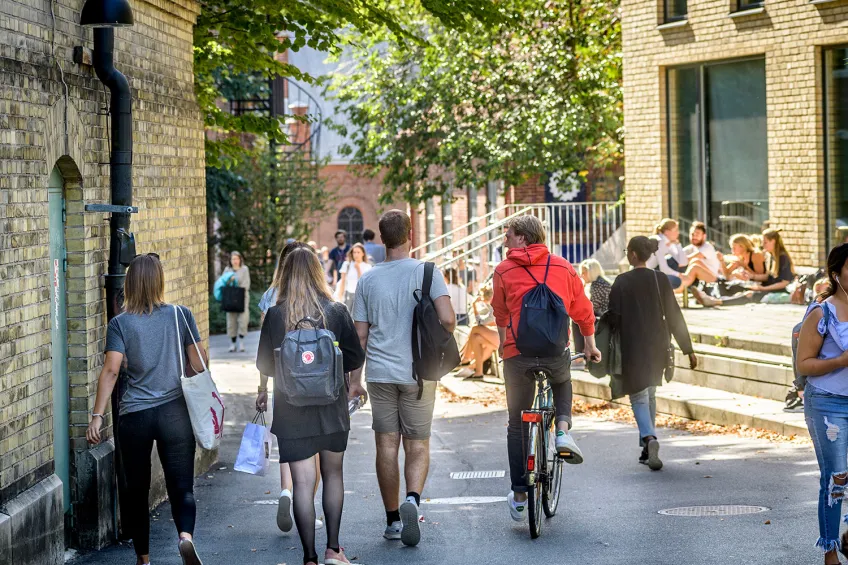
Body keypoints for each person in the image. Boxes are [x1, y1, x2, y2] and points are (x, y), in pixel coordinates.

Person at [86, 254, 207, 565]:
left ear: (129, 284)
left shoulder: (120, 323)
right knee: (181, 486)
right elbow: (198, 363)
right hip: (174, 412)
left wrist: (97, 416)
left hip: (135, 416)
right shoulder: (180, 315)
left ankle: (144, 559)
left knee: (136, 490)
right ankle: (185, 537)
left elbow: (111, 371)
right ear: (159, 281)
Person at [350, 210, 455, 547]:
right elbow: (448, 319)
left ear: (381, 239)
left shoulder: (367, 280)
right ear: (410, 234)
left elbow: (360, 336)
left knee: (386, 445)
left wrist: (354, 381)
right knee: (418, 443)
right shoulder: (428, 272)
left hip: (380, 374)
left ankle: (393, 519)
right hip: (418, 373)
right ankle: (413, 499)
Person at [255, 248, 365, 565]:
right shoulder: (336, 311)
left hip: (291, 412)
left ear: (285, 275)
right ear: (318, 273)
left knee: (302, 484)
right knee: (333, 476)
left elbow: (265, 364)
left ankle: (309, 557)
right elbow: (355, 357)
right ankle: (333, 550)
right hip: (331, 409)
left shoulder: (276, 315)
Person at [491, 215, 601, 522]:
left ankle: (519, 495)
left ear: (523, 238)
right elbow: (582, 310)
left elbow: (500, 313)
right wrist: (590, 345)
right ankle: (562, 432)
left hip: (518, 355)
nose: (504, 240)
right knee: (562, 381)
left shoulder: (503, 270)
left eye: (509, 235)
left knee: (517, 424)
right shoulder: (563, 267)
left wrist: (503, 343)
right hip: (554, 352)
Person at [608, 236, 698, 470]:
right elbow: (674, 314)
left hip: (632, 346)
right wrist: (688, 349)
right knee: (650, 393)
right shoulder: (660, 280)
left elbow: (613, 318)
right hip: (659, 345)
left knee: (638, 396)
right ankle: (647, 449)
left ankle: (649, 438)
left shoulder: (622, 281)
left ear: (633, 254)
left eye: (627, 252)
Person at [256, 241, 325, 533]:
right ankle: (307, 507)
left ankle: (286, 491)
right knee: (315, 446)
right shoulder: (319, 297)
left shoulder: (271, 297)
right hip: (316, 381)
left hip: (283, 383)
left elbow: (265, 345)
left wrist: (262, 388)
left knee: (288, 441)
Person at [796, 244, 848, 564]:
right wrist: (840, 361)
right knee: (836, 479)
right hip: (828, 404)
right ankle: (830, 552)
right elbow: (804, 363)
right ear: (836, 273)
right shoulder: (821, 313)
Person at [691, 229, 795, 307]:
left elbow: (784, 283)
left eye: (765, 242)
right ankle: (712, 298)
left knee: (749, 295)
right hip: (766, 287)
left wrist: (762, 288)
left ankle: (716, 302)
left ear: (774, 241)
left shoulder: (782, 257)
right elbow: (766, 277)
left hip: (777, 290)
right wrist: (751, 277)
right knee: (736, 287)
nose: (763, 245)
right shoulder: (771, 256)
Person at [458, 285, 499, 380]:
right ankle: (478, 373)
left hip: (505, 338)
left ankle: (465, 358)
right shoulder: (493, 306)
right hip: (498, 337)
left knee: (475, 329)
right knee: (476, 337)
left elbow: (480, 323)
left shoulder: (495, 305)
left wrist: (474, 306)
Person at [572, 258, 611, 354]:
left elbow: (594, 307)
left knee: (577, 320)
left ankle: (580, 353)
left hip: (602, 318)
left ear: (591, 272)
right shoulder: (603, 282)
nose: (581, 275)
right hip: (605, 316)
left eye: (584, 273)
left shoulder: (597, 284)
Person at [646, 218, 688, 289]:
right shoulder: (660, 241)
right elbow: (663, 269)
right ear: (667, 232)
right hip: (644, 274)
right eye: (676, 230)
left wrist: (678, 245)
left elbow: (683, 263)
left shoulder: (668, 242)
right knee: (677, 281)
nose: (678, 233)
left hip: (652, 271)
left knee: (674, 262)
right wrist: (679, 275)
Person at [680, 222, 722, 286]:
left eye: (697, 234)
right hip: (701, 280)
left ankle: (677, 288)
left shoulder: (707, 247)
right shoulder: (691, 248)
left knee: (695, 264)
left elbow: (687, 259)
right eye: (692, 234)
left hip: (714, 280)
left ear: (704, 236)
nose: (694, 237)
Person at [224, 251, 250, 352]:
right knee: (231, 321)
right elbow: (224, 282)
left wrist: (235, 284)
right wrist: (230, 280)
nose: (235, 261)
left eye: (236, 259)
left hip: (242, 298)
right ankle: (233, 344)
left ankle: (241, 343)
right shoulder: (227, 270)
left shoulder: (244, 269)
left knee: (243, 320)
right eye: (233, 259)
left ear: (240, 259)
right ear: (230, 260)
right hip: (230, 298)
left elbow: (246, 284)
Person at [336, 243, 372, 311]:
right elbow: (343, 281)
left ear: (363, 253)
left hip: (361, 296)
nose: (356, 254)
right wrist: (340, 295)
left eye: (358, 252)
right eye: (354, 252)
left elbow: (364, 283)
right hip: (348, 294)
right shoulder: (347, 264)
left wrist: (358, 269)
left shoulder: (367, 266)